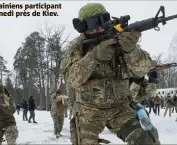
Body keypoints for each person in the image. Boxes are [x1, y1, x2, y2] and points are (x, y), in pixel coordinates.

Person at [61, 3, 160, 145]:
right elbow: (72, 79)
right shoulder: (76, 47)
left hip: (120, 107)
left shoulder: (119, 39)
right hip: (88, 110)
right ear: (83, 27)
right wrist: (93, 56)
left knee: (147, 140)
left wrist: (131, 50)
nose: (99, 28)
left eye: (102, 22)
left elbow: (143, 69)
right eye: (93, 24)